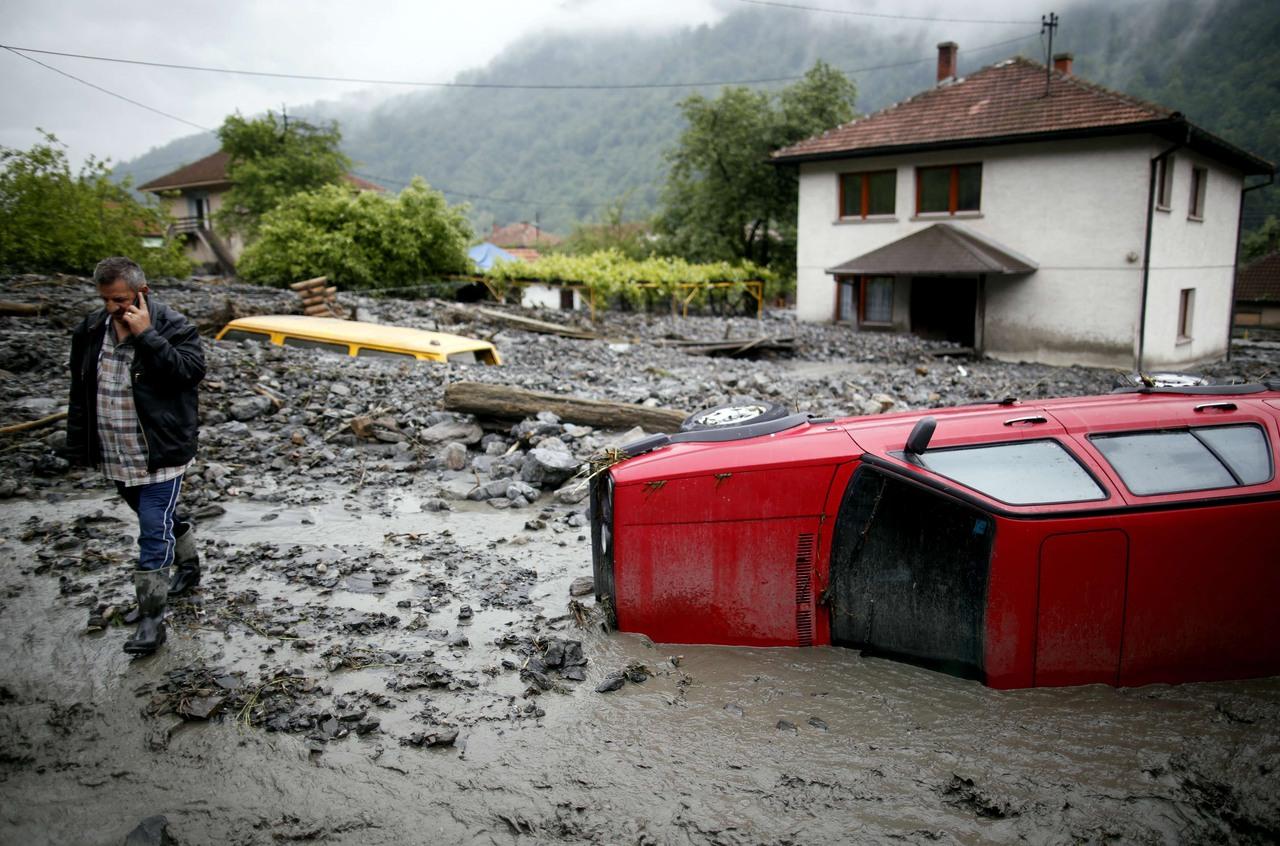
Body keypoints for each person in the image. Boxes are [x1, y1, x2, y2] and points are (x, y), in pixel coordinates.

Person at [65, 257, 205, 656]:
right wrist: (78, 447)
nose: (113, 308)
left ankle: (151, 621)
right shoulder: (91, 330)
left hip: (161, 451)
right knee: (158, 519)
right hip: (115, 451)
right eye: (106, 299)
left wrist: (148, 336)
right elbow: (81, 392)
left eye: (121, 299)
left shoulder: (173, 326)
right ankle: (190, 566)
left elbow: (189, 374)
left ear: (142, 293)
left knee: (151, 529)